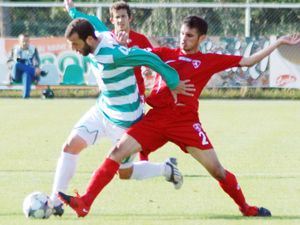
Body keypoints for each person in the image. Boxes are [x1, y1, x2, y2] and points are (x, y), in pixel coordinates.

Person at [57, 16, 300, 217]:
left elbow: (247, 61)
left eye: (190, 36)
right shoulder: (165, 53)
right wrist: (125, 45)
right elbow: (139, 56)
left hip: (186, 124)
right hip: (155, 119)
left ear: (202, 38)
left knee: (217, 170)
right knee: (116, 154)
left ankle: (246, 208)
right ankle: (85, 202)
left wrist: (278, 43)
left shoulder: (208, 61)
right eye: (182, 34)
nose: (184, 39)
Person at [49, 0, 194, 217]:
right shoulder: (98, 32)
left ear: (89, 40)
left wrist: (172, 80)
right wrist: (72, 10)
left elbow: (148, 57)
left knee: (124, 173)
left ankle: (166, 168)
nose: (74, 50)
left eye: (76, 45)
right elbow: (91, 20)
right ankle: (55, 202)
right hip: (103, 110)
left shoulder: (113, 55)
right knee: (69, 146)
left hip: (126, 120)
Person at [7, 34, 47, 98]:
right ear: (19, 41)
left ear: (29, 41)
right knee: (16, 64)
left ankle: (26, 96)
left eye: (27, 41)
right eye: (23, 41)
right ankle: (36, 72)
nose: (25, 43)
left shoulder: (33, 49)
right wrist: (14, 65)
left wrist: (35, 67)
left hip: (29, 75)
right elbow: (9, 62)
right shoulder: (15, 49)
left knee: (26, 73)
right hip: (16, 75)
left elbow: (37, 62)